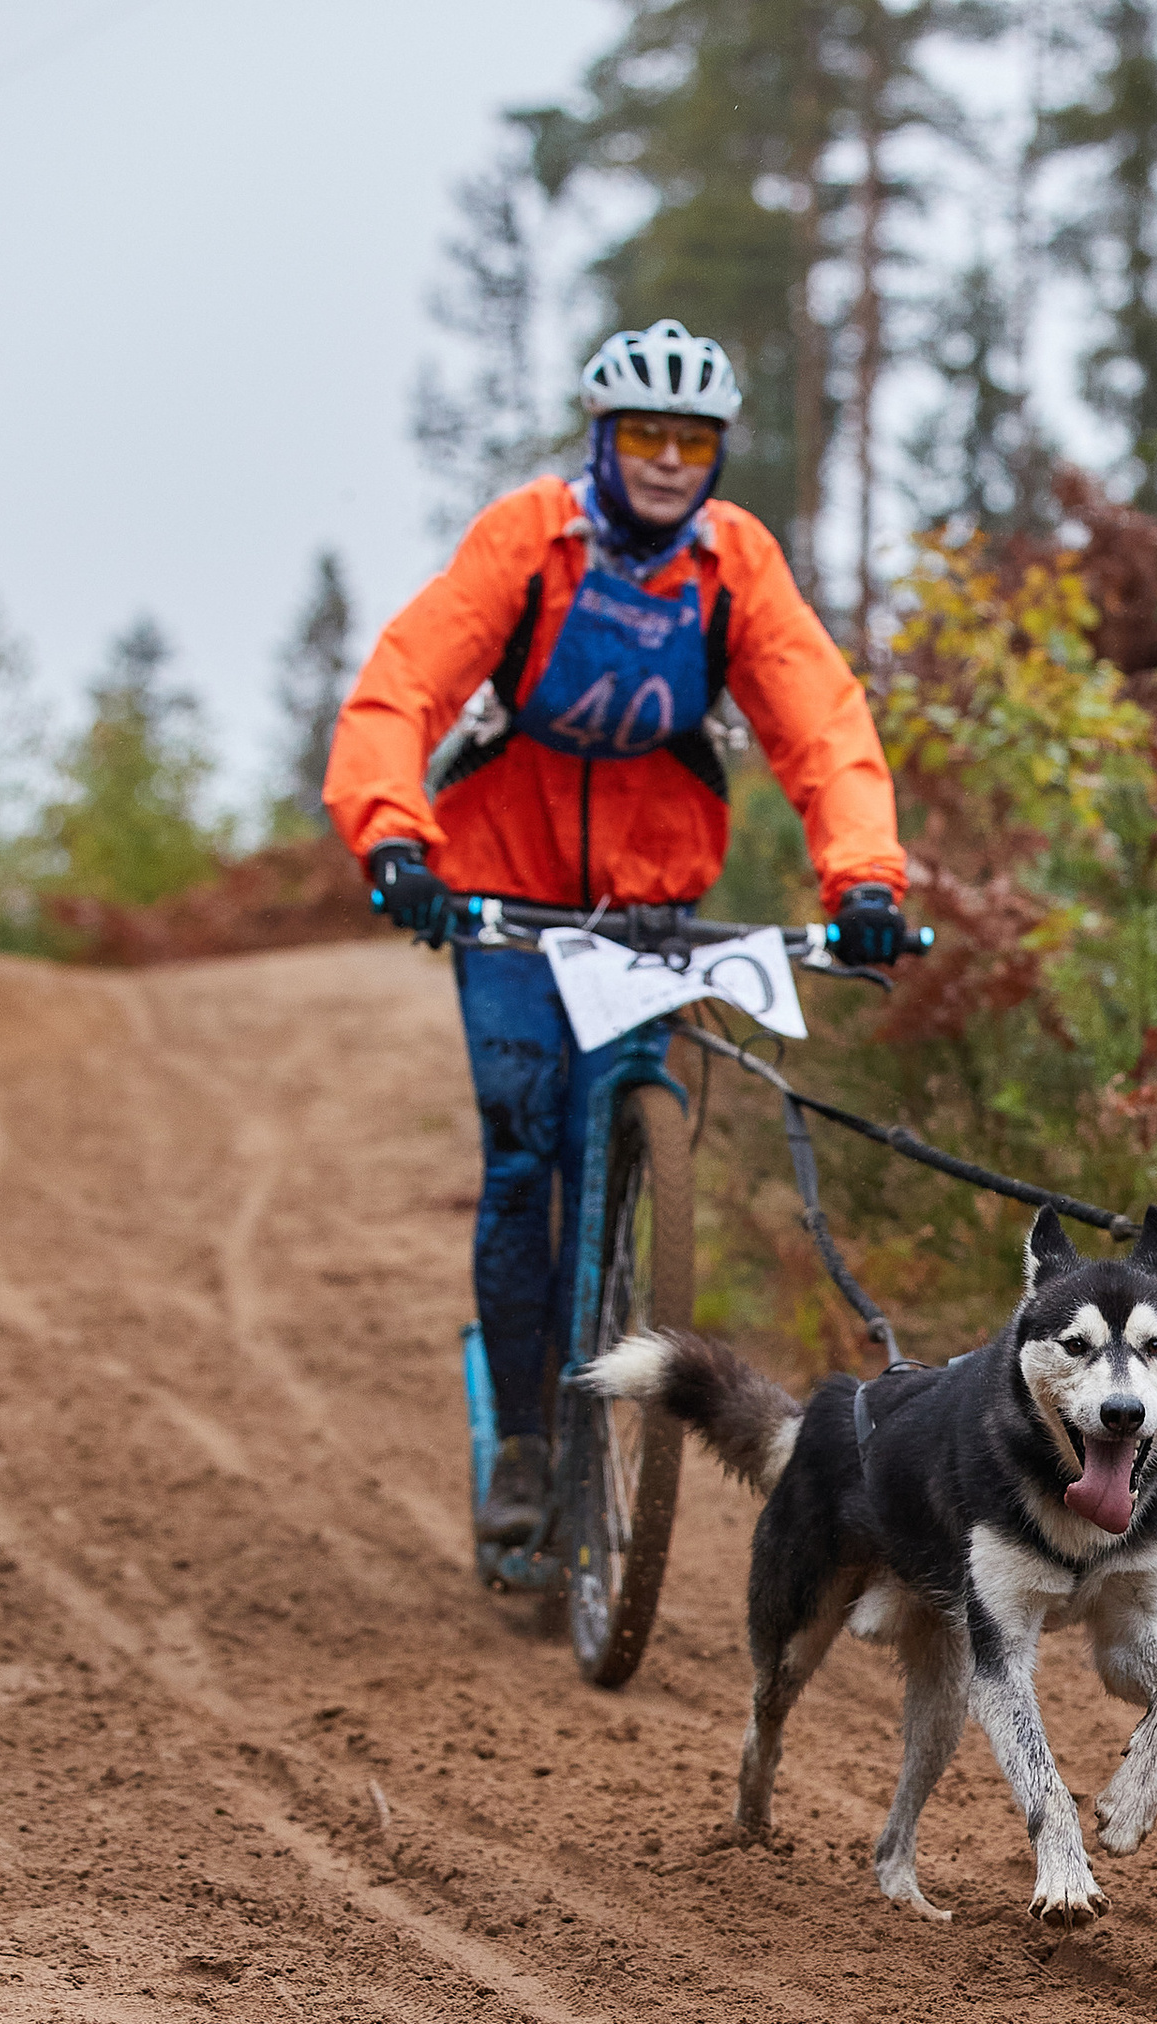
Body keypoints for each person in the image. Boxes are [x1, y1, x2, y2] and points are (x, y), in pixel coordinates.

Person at [325, 319, 911, 1550]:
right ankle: (531, 1443)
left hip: (652, 908)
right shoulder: (526, 540)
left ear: (716, 452)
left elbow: (822, 724)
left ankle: (610, 1345)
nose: (664, 459)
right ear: (601, 438)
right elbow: (405, 682)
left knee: (618, 1132)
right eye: (641, 433)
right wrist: (395, 841)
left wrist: (863, 881)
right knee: (524, 1157)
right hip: (506, 898)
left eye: (689, 438)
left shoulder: (733, 564)